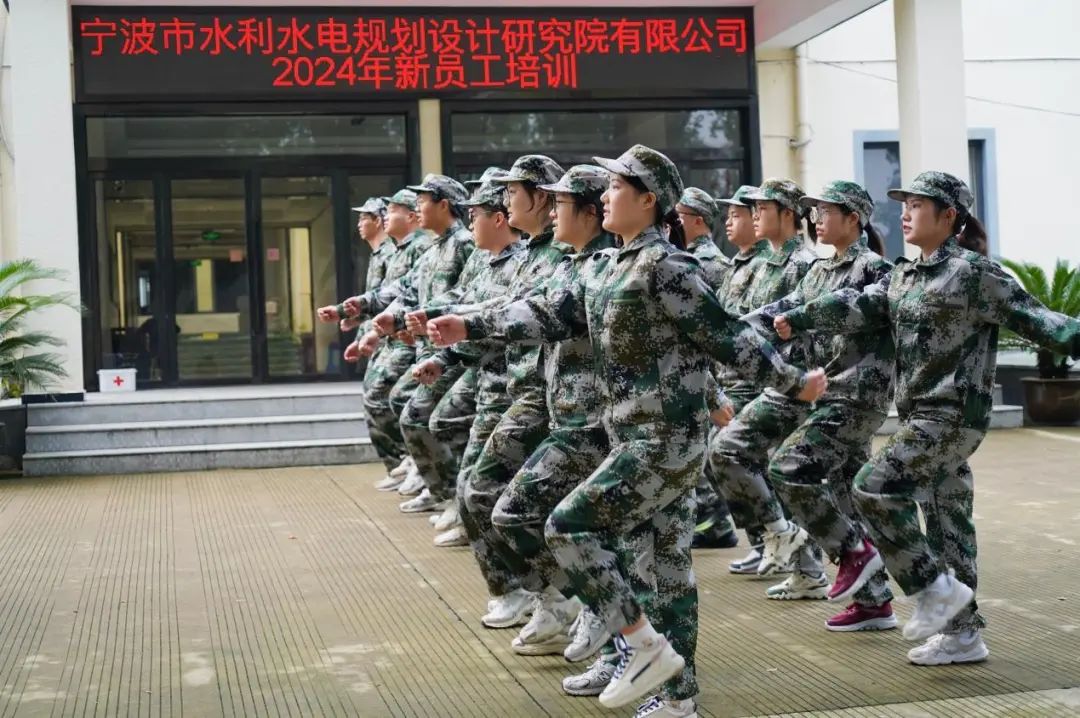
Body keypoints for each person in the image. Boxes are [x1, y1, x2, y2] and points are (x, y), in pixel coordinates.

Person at [428, 145, 827, 714]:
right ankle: (678, 697)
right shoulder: (607, 266)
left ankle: (638, 644)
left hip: (665, 441)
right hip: (632, 438)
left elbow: (727, 337)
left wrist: (794, 383)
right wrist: (467, 325)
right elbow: (546, 312)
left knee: (569, 525)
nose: (606, 195)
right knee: (664, 571)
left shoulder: (667, 267)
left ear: (648, 200)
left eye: (618, 186)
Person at [774, 171, 1080, 664]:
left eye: (917, 205)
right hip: (919, 414)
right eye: (905, 204)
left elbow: (1046, 323)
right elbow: (860, 305)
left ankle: (933, 589)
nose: (905, 213)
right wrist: (801, 317)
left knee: (874, 486)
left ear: (949, 215)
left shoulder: (974, 275)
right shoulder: (904, 275)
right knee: (946, 521)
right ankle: (963, 634)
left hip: (952, 416)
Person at [747, 180, 898, 631]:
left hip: (857, 397)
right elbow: (781, 310)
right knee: (845, 495)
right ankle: (874, 603)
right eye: (813, 211)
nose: (816, 219)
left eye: (826, 211)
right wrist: (727, 331)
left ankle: (854, 553)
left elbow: (855, 308)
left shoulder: (876, 269)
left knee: (789, 467)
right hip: (830, 395)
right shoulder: (818, 270)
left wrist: (798, 318)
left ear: (854, 218)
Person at [708, 178, 827, 600]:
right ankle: (794, 559)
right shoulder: (763, 264)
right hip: (761, 383)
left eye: (763, 208)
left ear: (788, 214)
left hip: (790, 385)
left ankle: (802, 559)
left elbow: (802, 333)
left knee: (770, 468)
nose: (755, 214)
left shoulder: (805, 265)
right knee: (758, 467)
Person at [342, 175, 474, 512]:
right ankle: (442, 491)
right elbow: (406, 291)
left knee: (420, 415)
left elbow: (468, 297)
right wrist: (369, 311)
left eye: (423, 201)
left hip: (455, 353)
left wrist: (411, 318)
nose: (418, 207)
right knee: (411, 411)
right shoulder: (433, 249)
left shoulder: (464, 244)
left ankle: (449, 495)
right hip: (427, 351)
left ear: (444, 204)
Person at [408, 171, 527, 547]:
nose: (470, 221)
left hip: (510, 383)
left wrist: (445, 345)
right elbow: (462, 302)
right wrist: (438, 347)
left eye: (476, 214)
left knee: (483, 477)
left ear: (499, 219)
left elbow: (495, 318)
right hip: (482, 374)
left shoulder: (521, 262)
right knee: (447, 435)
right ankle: (461, 509)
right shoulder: (488, 261)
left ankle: (469, 517)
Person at [317, 193, 428, 489]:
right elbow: (385, 296)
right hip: (388, 335)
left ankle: (416, 466)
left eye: (366, 217)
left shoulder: (417, 248)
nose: (359, 224)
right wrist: (356, 320)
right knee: (377, 398)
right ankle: (403, 467)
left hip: (408, 339)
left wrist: (370, 328)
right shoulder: (392, 252)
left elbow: (409, 297)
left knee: (388, 398)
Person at [675, 186, 739, 550]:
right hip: (700, 375)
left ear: (697, 221)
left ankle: (715, 523)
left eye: (678, 217)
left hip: (706, 375)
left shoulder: (709, 265)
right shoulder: (687, 259)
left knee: (695, 454)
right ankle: (711, 522)